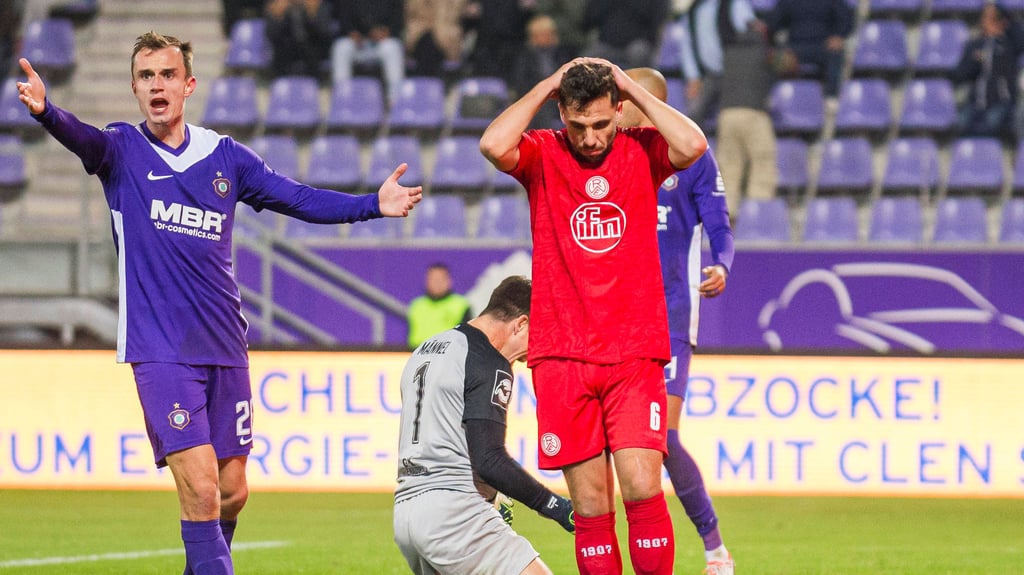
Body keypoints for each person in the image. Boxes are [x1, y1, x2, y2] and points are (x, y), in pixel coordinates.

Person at [15, 32, 422, 575]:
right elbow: (82, 137)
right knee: (202, 490)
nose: (156, 86)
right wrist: (48, 113)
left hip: (226, 346)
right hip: (160, 349)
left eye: (166, 75)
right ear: (134, 87)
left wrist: (372, 204)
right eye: (145, 76)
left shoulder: (226, 156)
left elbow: (296, 198)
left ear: (188, 86)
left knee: (231, 492)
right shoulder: (120, 149)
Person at [480, 58, 708, 575]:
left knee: (643, 487)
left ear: (619, 112)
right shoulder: (542, 153)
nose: (589, 138)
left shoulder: (642, 151)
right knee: (590, 506)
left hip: (633, 351)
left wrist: (627, 85)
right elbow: (493, 144)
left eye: (602, 124)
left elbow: (694, 145)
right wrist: (546, 85)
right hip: (561, 354)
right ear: (560, 113)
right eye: (578, 125)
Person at [620, 66, 736, 575]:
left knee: (662, 438)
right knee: (610, 443)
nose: (614, 107)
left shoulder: (690, 158)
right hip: (614, 317)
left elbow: (719, 226)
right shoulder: (608, 151)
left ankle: (714, 547)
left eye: (623, 98)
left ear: (647, 103)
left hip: (669, 314)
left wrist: (722, 264)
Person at [394, 275, 576, 575]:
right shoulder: (489, 361)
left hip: (406, 510)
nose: (535, 352)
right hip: (452, 514)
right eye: (539, 334)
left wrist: (491, 495)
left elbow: (450, 436)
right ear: (520, 323)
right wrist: (557, 507)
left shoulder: (429, 348)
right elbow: (489, 459)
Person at [716, 20, 778, 213]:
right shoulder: (765, 52)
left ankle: (728, 218)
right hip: (754, 113)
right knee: (762, 162)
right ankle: (759, 212)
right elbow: (787, 63)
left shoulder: (728, 54)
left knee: (729, 166)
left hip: (727, 114)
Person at [676, 0, 757, 125]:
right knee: (692, 114)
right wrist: (693, 77)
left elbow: (752, 40)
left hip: (735, 75)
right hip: (707, 76)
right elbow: (687, 45)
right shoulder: (695, 9)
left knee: (733, 117)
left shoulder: (736, 4)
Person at [952, 2, 1024, 141]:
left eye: (990, 17)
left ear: (1001, 21)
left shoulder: (1008, 44)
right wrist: (974, 61)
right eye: (985, 17)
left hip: (1002, 102)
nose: (985, 21)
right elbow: (960, 75)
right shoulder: (974, 45)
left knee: (991, 123)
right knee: (961, 123)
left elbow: (1021, 39)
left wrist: (1007, 20)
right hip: (975, 103)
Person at [766, 0, 853, 100]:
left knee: (835, 53)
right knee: (777, 55)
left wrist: (839, 36)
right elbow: (773, 24)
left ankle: (831, 98)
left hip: (824, 46)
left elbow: (846, 20)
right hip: (794, 47)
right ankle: (775, 97)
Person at [329, 0, 405, 104]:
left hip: (381, 44)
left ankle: (395, 101)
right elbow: (344, 19)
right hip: (357, 44)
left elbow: (398, 21)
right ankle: (342, 100)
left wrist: (386, 32)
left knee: (392, 47)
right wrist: (352, 32)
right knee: (341, 47)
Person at [407, 262, 473, 350]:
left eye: (440, 279)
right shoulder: (417, 305)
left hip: (448, 356)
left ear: (449, 281)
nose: (436, 283)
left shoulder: (460, 305)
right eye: (433, 279)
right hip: (417, 355)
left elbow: (467, 339)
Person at [264, 0, 335, 79]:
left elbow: (324, 35)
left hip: (313, 48)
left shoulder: (320, 5)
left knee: (311, 50)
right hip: (286, 49)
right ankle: (279, 85)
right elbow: (270, 35)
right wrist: (278, 17)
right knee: (281, 50)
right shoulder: (277, 4)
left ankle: (315, 84)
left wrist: (312, 15)